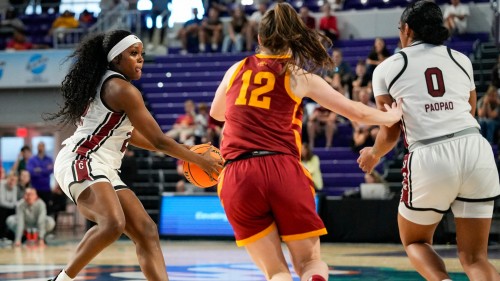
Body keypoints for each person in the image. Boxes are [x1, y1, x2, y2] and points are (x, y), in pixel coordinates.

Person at [209, 3, 402, 281]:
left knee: (276, 272)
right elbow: (355, 112)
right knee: (310, 263)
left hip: (237, 174)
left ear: (260, 39)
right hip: (282, 169)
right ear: (293, 39)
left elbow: (216, 113)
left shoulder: (236, 69)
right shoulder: (298, 76)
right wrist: (390, 116)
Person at [45, 30, 222, 281]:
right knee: (112, 223)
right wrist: (197, 158)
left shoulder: (111, 83)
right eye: (133, 53)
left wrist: (186, 152)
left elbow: (141, 139)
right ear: (116, 59)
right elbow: (159, 139)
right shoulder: (120, 88)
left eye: (142, 54)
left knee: (146, 230)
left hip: (103, 166)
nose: (140, 59)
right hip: (82, 158)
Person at [357, 1, 500, 281]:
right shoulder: (462, 60)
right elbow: (470, 110)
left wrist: (373, 155)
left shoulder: (387, 69)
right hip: (475, 151)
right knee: (475, 258)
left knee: (415, 241)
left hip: (430, 154)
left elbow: (391, 130)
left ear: (407, 29)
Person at [27, 141, 54, 206]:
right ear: (37, 147)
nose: (41, 148)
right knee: (34, 207)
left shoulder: (49, 159)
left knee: (46, 208)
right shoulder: (32, 159)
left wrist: (39, 170)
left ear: (44, 148)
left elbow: (51, 170)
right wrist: (45, 170)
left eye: (42, 146)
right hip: (35, 189)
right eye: (39, 146)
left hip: (46, 188)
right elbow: (30, 171)